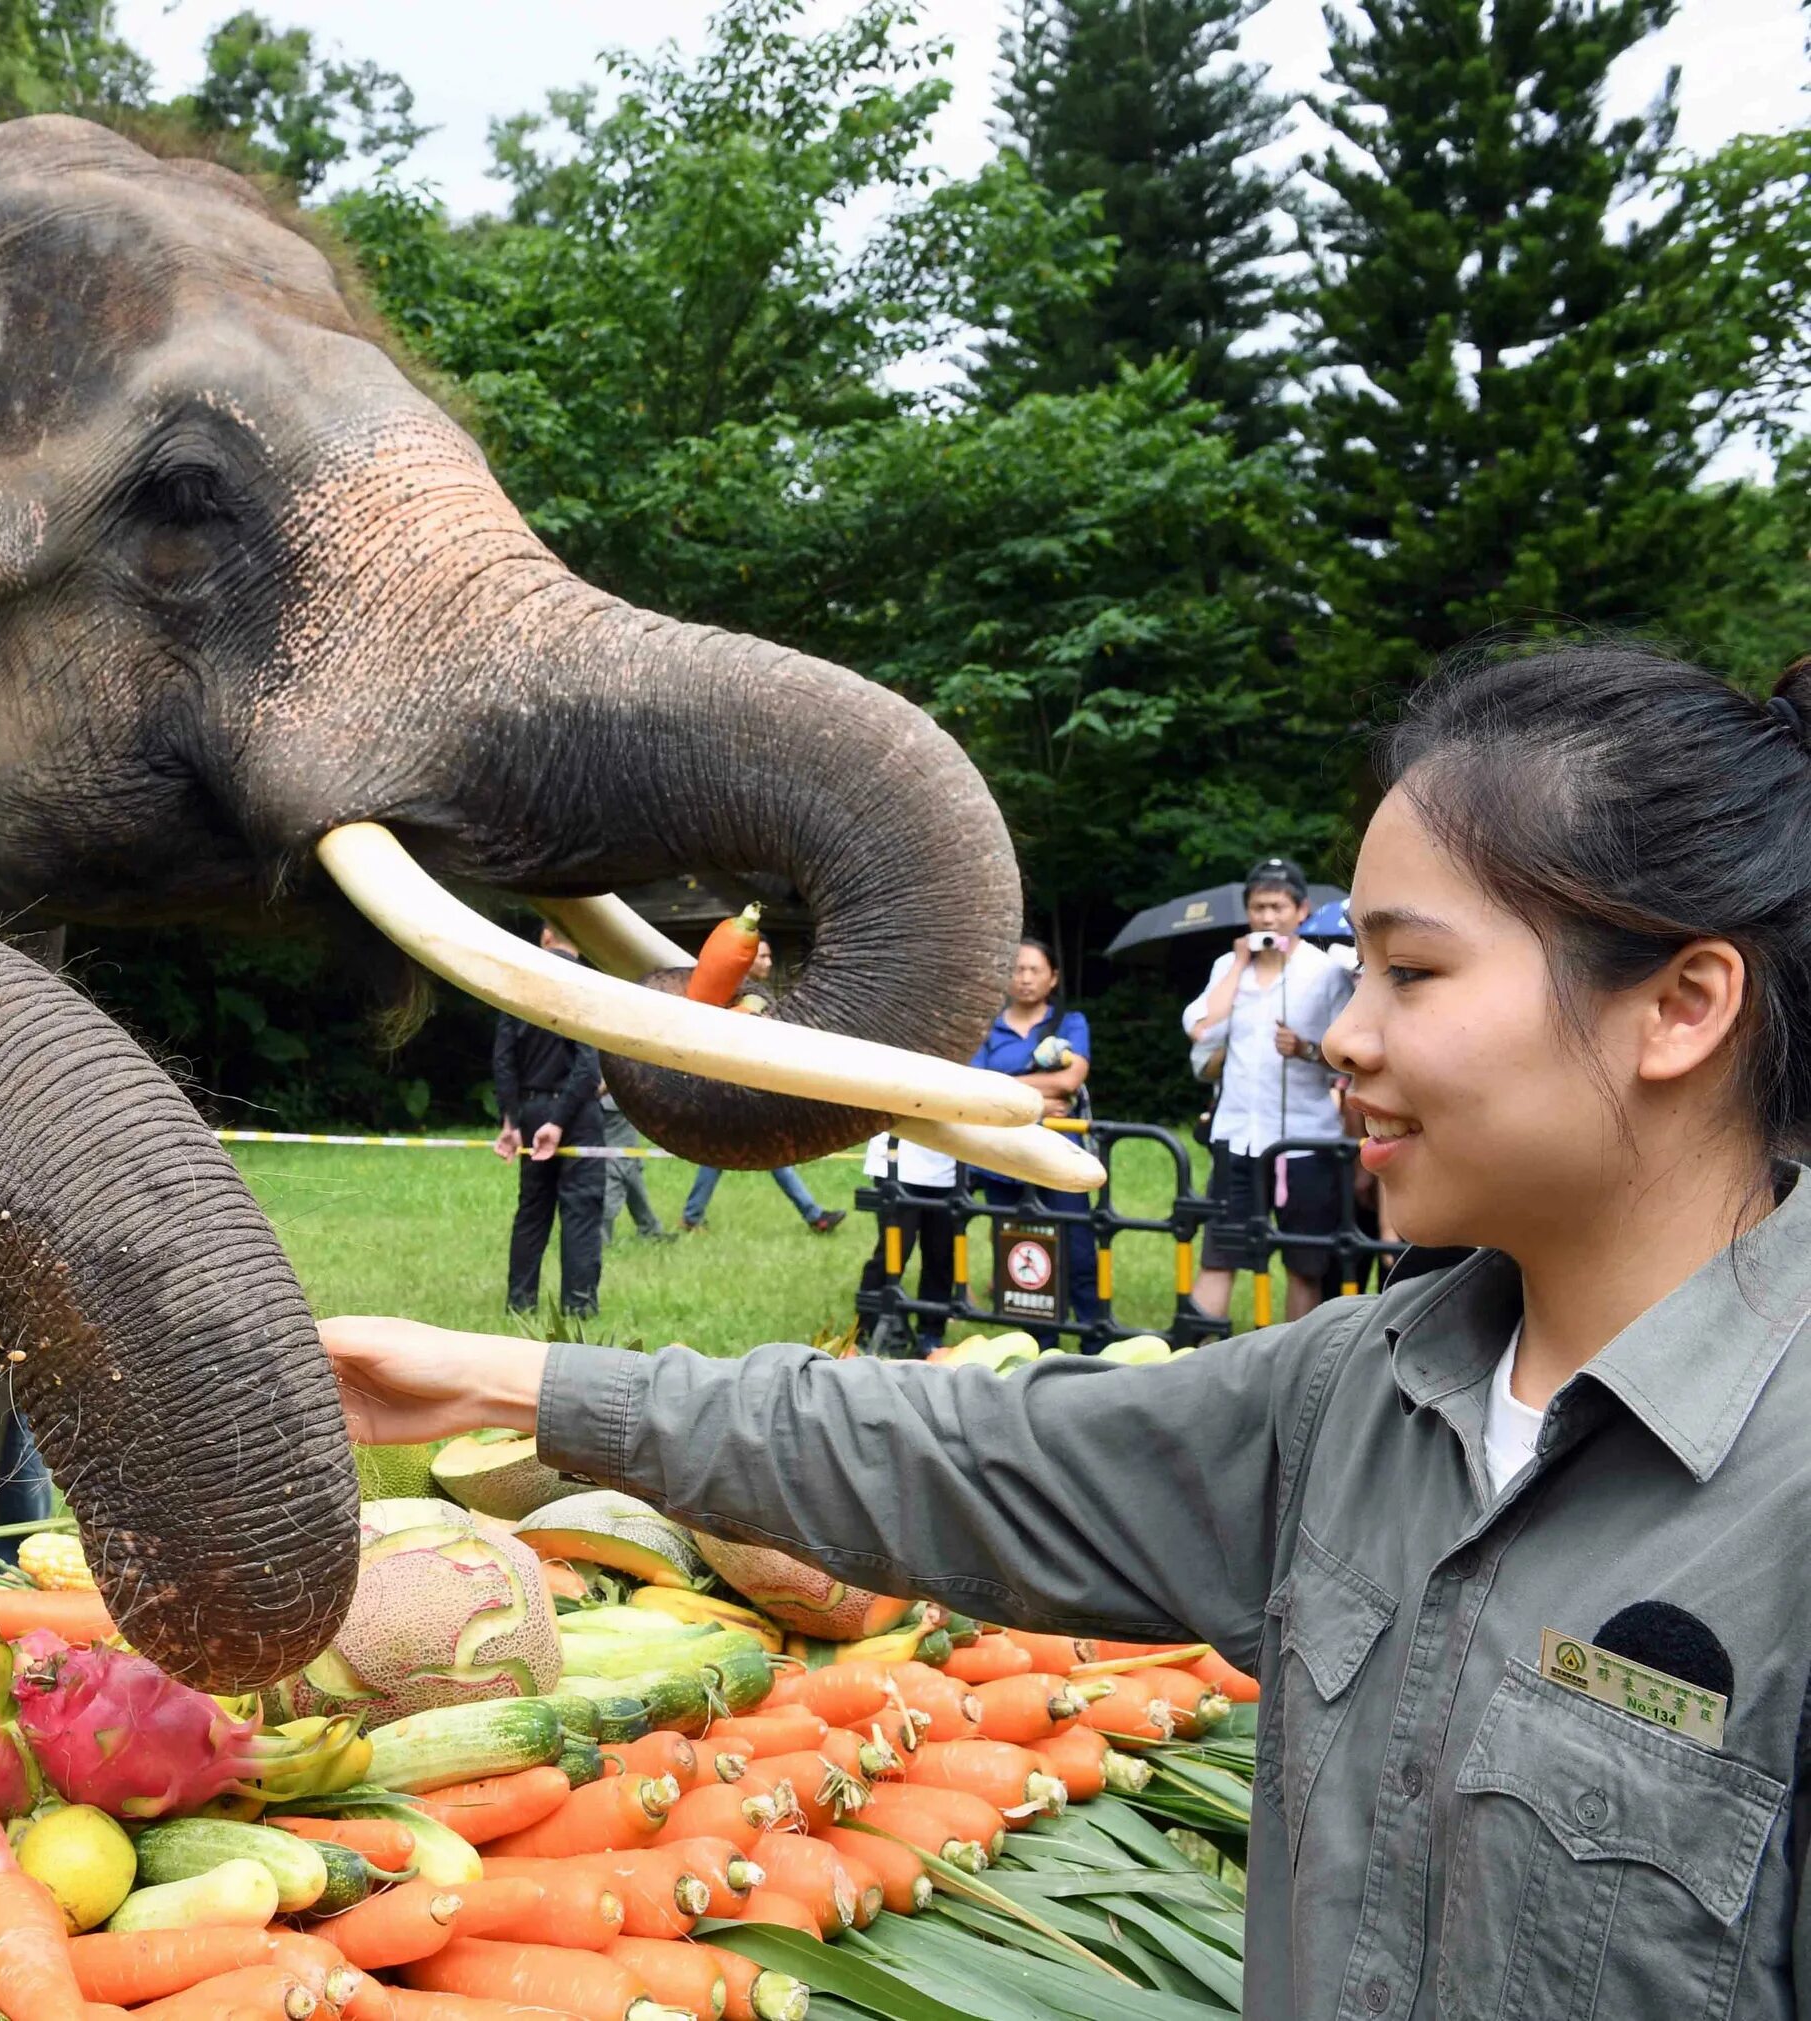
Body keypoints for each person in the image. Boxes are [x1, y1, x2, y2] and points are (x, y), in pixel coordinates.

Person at [324, 644, 1811, 2014]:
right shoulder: (1364, 1390)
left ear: (1680, 1007)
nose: (1345, 1034)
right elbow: (968, 1449)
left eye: (1413, 974)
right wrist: (493, 1376)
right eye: (1357, 972)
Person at [1184, 857, 1356, 1321]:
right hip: (1237, 1136)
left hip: (1306, 1142)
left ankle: (1295, 1370)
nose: (1267, 917)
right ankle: (1194, 1350)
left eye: (1277, 907)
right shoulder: (1227, 965)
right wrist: (1240, 965)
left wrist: (1303, 1048)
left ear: (1301, 911)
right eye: (1258, 907)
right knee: (1220, 1254)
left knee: (1305, 1265)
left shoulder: (1325, 972)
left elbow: (1348, 1056)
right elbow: (1200, 1028)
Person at [970, 938, 1110, 1347]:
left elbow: (1070, 1079)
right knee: (1022, 1252)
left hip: (1061, 1156)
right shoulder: (986, 1025)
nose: (1025, 978)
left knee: (1079, 1250)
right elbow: (977, 1086)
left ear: (1053, 977)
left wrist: (1009, 1091)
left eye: (1034, 970)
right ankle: (1039, 1345)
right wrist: (1041, 1103)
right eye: (1017, 969)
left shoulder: (1071, 1022)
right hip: (1003, 1157)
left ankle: (1094, 1342)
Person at [679, 934, 846, 1236]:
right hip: (729, 1089)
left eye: (770, 957)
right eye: (763, 957)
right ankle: (814, 1215)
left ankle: (692, 1217)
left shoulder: (758, 992)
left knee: (733, 1156)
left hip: (745, 1089)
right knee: (759, 1154)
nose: (769, 963)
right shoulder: (732, 992)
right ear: (746, 959)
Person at [494, 926, 605, 1317]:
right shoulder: (580, 985)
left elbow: (504, 1061)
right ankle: (579, 1307)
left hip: (529, 1112)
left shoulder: (519, 986)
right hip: (574, 1118)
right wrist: (558, 1122)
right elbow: (588, 1068)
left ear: (544, 937)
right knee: (581, 1211)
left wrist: (511, 1119)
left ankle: (519, 1304)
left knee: (532, 1212)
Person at [855, 1131, 958, 1356]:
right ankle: (867, 1326)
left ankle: (931, 1334)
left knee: (941, 1253)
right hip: (896, 1163)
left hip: (947, 1168)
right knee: (896, 1250)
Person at [595, 1088, 675, 1244]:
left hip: (616, 1103)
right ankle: (600, 1236)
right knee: (618, 1166)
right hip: (612, 1104)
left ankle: (650, 1228)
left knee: (631, 1166)